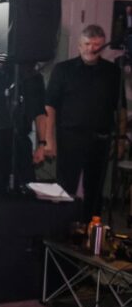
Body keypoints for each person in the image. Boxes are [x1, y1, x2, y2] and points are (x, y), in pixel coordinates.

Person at [45, 25, 127, 221]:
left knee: (95, 190)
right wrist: (48, 139)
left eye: (97, 45)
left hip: (101, 138)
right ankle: (62, 229)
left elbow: (121, 108)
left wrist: (121, 139)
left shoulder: (113, 72)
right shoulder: (63, 70)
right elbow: (49, 106)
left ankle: (90, 233)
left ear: (103, 46)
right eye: (87, 44)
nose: (92, 49)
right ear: (79, 45)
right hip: (70, 137)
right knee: (65, 187)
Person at [0, 63, 48, 185]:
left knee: (27, 187)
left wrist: (42, 145)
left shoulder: (34, 79)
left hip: (22, 141)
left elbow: (40, 113)